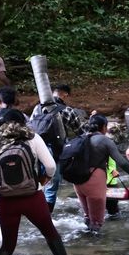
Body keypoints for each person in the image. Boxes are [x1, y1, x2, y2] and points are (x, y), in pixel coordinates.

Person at [0, 109, 70, 255]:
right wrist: (45, 179)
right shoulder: (32, 137)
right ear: (23, 123)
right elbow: (51, 166)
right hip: (32, 196)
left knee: (8, 243)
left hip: (6, 199)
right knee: (50, 233)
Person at [75, 114, 129, 233]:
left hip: (78, 182)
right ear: (104, 127)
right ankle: (97, 248)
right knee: (97, 221)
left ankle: (85, 241)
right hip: (96, 182)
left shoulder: (81, 138)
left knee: (88, 216)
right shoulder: (104, 140)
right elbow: (122, 162)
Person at [30, 84, 85, 212]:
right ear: (64, 94)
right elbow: (80, 132)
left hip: (36, 150)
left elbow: (31, 128)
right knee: (51, 186)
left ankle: (35, 211)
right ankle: (47, 216)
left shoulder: (37, 108)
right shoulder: (67, 110)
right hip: (56, 151)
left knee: (37, 182)